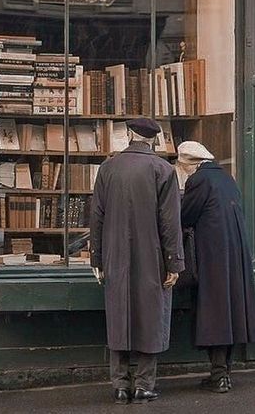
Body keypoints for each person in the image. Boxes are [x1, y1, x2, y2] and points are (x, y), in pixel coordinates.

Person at [90, 117, 184, 404]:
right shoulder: (163, 169)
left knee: (119, 316)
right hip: (152, 255)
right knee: (151, 316)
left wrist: (97, 257)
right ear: (154, 139)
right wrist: (174, 263)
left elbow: (97, 216)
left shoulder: (108, 168)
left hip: (114, 254)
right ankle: (144, 384)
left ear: (130, 135)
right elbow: (170, 222)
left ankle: (119, 385)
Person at [177, 140, 255, 394]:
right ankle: (224, 372)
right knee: (230, 313)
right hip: (233, 257)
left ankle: (219, 375)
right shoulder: (226, 178)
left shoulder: (199, 180)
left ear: (188, 162)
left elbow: (186, 216)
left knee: (214, 314)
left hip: (212, 257)